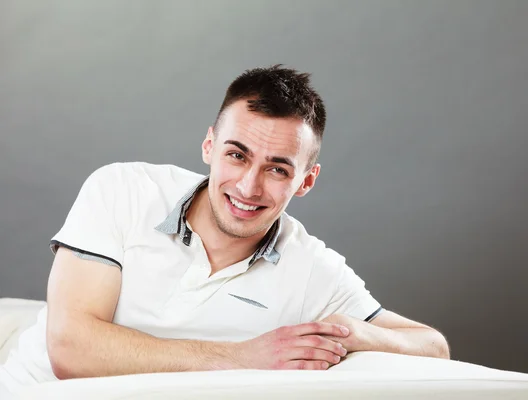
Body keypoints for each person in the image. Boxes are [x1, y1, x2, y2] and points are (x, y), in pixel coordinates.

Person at [0, 65, 450, 398]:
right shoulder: (123, 189)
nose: (248, 187)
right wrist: (243, 357)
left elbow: (432, 345)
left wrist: (349, 329)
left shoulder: (312, 269)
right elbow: (71, 349)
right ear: (209, 146)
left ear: (306, 181)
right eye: (237, 155)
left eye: (277, 168)